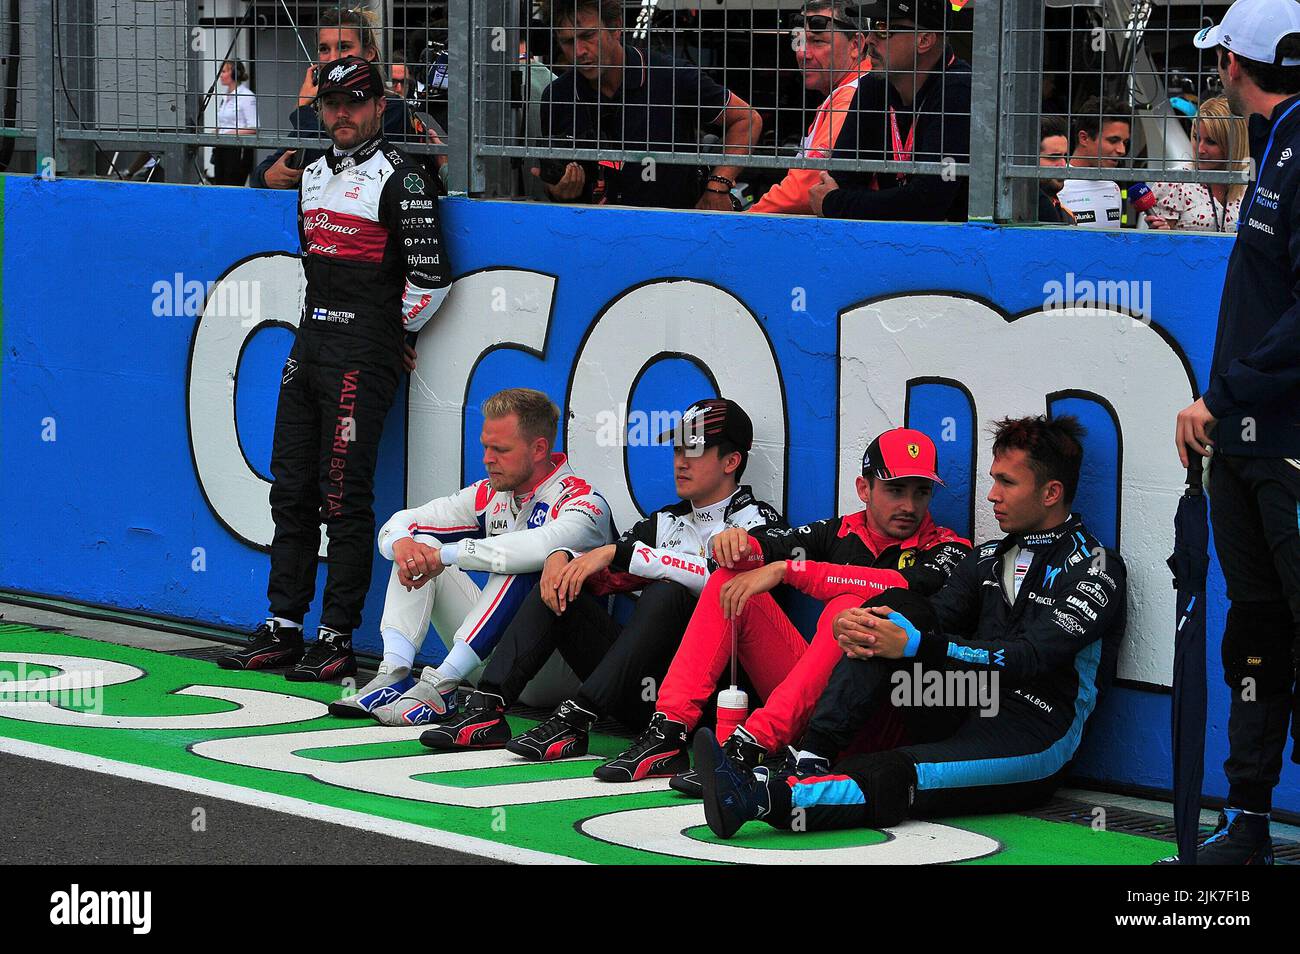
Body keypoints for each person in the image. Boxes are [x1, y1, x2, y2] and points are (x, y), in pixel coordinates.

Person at [696, 416, 1129, 841]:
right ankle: (811, 754)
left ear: (1051, 492)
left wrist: (916, 644)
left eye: (1007, 483)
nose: (992, 495)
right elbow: (927, 615)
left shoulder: (1098, 566)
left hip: (1033, 735)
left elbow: (1031, 658)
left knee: (900, 771)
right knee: (895, 606)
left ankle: (763, 799)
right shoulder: (987, 557)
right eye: (993, 480)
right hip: (958, 704)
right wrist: (871, 624)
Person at [217, 57, 452, 681]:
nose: (341, 114)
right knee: (290, 488)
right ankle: (284, 625)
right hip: (309, 344)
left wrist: (387, 334)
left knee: (343, 496)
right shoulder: (312, 173)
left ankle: (336, 635)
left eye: (354, 102)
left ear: (380, 105)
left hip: (360, 356)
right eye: (330, 104)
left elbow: (431, 280)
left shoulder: (404, 178)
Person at [597, 428, 972, 784]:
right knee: (729, 579)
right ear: (864, 488)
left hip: (882, 724)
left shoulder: (952, 549)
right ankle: (669, 730)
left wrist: (786, 570)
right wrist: (737, 546)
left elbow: (900, 586)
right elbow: (771, 546)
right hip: (809, 708)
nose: (909, 505)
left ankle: (751, 746)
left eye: (921, 493)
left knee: (847, 604)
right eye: (896, 490)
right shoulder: (837, 531)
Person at [420, 398, 785, 757]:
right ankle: (488, 708)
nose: (680, 462)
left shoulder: (760, 524)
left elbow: (720, 583)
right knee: (561, 579)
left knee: (666, 593)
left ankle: (576, 719)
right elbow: (605, 573)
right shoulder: (664, 522)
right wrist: (562, 557)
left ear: (731, 461)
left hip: (715, 706)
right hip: (641, 696)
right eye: (677, 450)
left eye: (694, 450)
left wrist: (622, 554)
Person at [1171, 0, 1300, 865]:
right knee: (1254, 631)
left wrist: (1221, 399)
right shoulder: (1280, 142)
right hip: (1249, 439)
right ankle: (1247, 818)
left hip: (1281, 443)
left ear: (1231, 66)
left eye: (1219, 55)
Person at [329, 388, 616, 725]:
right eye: (485, 447)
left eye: (501, 450)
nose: (487, 458)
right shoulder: (491, 492)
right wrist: (404, 546)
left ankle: (442, 685)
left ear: (539, 448)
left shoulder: (583, 502)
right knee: (418, 542)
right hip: (492, 663)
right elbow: (400, 523)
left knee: (521, 563)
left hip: (557, 674)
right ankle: (395, 672)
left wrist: (447, 554)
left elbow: (535, 547)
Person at [532, 0, 762, 209]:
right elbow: (555, 181)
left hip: (672, 230)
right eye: (567, 41)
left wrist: (718, 185)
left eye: (588, 36)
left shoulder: (671, 77)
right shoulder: (558, 95)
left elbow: (746, 119)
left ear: (616, 27)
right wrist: (559, 189)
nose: (580, 51)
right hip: (593, 237)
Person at [808, 0, 971, 222]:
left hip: (961, 249)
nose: (870, 39)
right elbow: (838, 179)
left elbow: (930, 201)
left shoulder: (959, 91)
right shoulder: (872, 86)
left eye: (884, 29)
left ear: (924, 40)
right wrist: (893, 201)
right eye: (873, 26)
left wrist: (837, 203)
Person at [252, 6, 413, 190]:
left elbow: (336, 162)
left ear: (369, 53)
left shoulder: (391, 107)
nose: (333, 58)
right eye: (324, 49)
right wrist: (267, 176)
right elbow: (270, 165)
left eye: (344, 47)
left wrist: (302, 111)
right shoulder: (316, 108)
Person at [747, 2, 870, 216]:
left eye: (817, 41)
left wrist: (741, 222)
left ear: (856, 45)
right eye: (800, 41)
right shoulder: (851, 90)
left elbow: (802, 190)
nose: (803, 54)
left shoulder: (852, 95)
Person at [1145, 96, 1248, 233]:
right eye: (1196, 138)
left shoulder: (1247, 185)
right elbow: (1159, 246)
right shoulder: (1174, 182)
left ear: (1233, 145)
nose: (1200, 149)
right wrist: (1162, 232)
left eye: (1211, 142)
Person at [1057, 96, 1131, 229]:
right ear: (1084, 138)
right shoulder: (1058, 186)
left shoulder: (1113, 188)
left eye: (1125, 142)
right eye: (1113, 140)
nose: (1122, 150)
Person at [212, 59, 257, 186]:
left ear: (234, 74)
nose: (220, 74)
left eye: (224, 71)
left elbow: (254, 128)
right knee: (219, 185)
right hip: (222, 147)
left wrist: (230, 133)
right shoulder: (225, 96)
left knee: (232, 184)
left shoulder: (246, 96)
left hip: (237, 149)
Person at [1038, 115, 1076, 224]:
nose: (1063, 164)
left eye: (1065, 156)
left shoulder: (1067, 215)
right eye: (1054, 157)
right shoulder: (1014, 213)